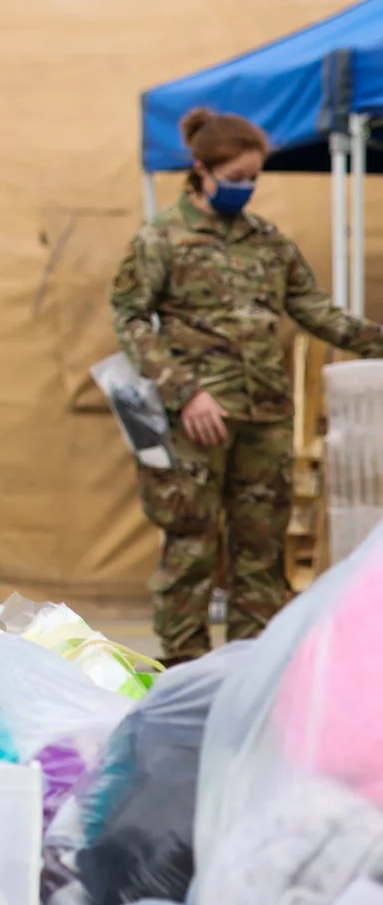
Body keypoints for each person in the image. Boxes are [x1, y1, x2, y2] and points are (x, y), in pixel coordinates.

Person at [109, 105, 383, 661]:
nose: (246, 189)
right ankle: (181, 675)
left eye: (254, 178)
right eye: (235, 179)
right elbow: (132, 320)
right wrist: (185, 391)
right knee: (192, 549)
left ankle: (248, 674)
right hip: (196, 420)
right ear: (201, 170)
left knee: (260, 551)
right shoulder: (161, 239)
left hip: (265, 417)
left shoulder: (268, 242)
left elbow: (316, 311)